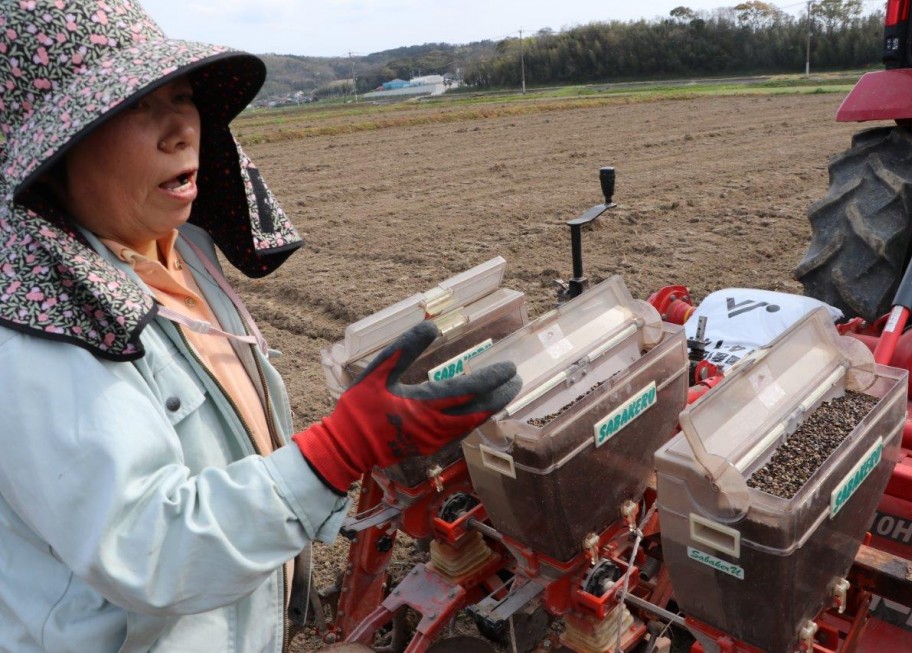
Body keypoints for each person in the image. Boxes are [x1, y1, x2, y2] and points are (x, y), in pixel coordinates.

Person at [0, 2, 521, 652]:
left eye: (182, 95)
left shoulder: (184, 251)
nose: (180, 129)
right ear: (50, 147)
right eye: (133, 104)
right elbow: (152, 547)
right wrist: (338, 451)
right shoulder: (36, 331)